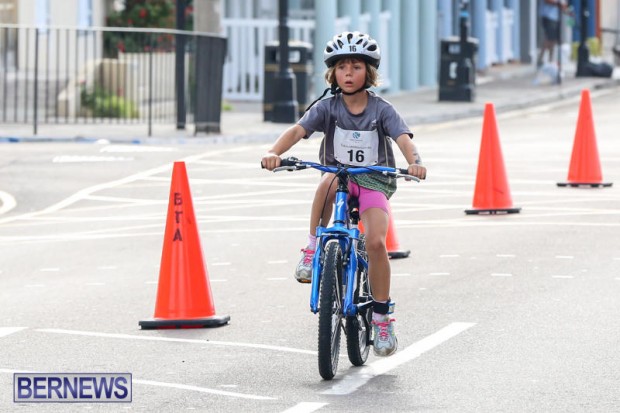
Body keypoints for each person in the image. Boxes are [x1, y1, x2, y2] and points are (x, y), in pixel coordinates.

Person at [261, 31, 426, 357]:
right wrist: (273, 152)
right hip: (338, 178)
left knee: (376, 242)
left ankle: (381, 317)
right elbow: (297, 130)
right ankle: (312, 248)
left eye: (356, 67)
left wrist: (415, 162)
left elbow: (404, 139)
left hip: (373, 180)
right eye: (341, 68)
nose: (348, 74)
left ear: (369, 73)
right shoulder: (327, 107)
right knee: (326, 181)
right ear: (332, 73)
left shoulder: (382, 110)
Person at [537, 0, 569, 67]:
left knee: (553, 39)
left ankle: (550, 60)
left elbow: (564, 5)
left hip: (555, 17)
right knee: (549, 38)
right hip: (548, 16)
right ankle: (540, 59)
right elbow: (547, 1)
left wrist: (565, 8)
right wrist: (558, 4)